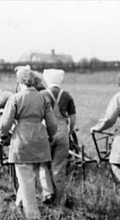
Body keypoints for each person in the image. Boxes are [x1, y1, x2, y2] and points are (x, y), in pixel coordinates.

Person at [0, 65, 58, 219]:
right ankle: (19, 204)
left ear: (20, 81)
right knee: (29, 176)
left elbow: (5, 123)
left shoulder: (16, 98)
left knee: (25, 179)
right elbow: (52, 124)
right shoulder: (43, 98)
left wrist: (2, 136)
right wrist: (50, 136)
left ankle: (33, 217)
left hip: (22, 140)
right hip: (40, 139)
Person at [41, 69, 76, 204]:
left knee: (43, 163)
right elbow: (73, 119)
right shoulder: (67, 95)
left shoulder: (42, 94)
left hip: (46, 130)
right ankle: (59, 200)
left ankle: (47, 192)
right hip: (62, 131)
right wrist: (69, 131)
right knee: (59, 166)